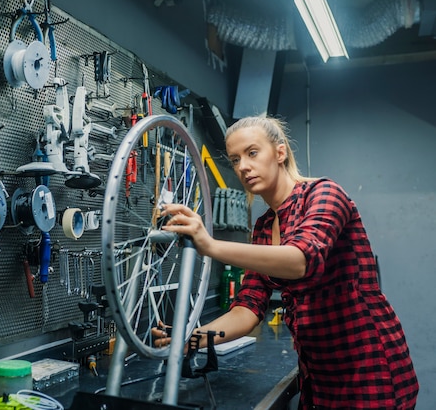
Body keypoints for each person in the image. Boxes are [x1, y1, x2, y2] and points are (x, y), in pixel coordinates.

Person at [154, 116, 419, 409]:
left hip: (370, 370)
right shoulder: (265, 226)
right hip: (318, 377)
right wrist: (189, 338)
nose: (243, 166)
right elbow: (247, 309)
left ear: (279, 153)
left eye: (252, 153)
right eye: (235, 159)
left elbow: (301, 260)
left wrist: (211, 246)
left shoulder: (325, 194)